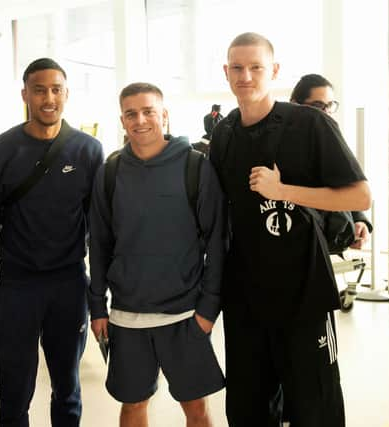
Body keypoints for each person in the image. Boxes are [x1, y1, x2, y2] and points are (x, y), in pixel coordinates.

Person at [209, 32, 371, 426]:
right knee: (247, 409)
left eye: (256, 67)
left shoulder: (308, 124)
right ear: (226, 73)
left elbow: (360, 195)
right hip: (246, 300)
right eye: (237, 67)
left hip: (303, 298)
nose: (245, 76)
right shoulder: (225, 133)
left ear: (275, 71)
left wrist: (283, 191)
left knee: (314, 408)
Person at [89, 82, 226, 427]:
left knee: (196, 409)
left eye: (148, 111)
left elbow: (217, 242)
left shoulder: (196, 167)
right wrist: (97, 307)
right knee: (133, 406)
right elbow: (100, 244)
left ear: (164, 115)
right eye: (131, 114)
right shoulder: (110, 172)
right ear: (122, 120)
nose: (140, 120)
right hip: (126, 316)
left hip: (184, 315)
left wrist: (208, 310)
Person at [0, 57, 103, 427]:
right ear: (25, 94)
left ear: (66, 94)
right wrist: (19, 249)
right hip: (17, 284)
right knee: (13, 389)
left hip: (68, 283)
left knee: (67, 385)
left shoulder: (87, 150)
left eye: (56, 89)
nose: (48, 98)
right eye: (39, 89)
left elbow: (95, 219)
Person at [291, 73, 373, 249]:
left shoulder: (329, 137)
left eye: (330, 105)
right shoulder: (286, 143)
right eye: (318, 106)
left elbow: (347, 183)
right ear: (295, 104)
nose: (326, 112)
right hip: (307, 242)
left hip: (335, 239)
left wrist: (359, 221)